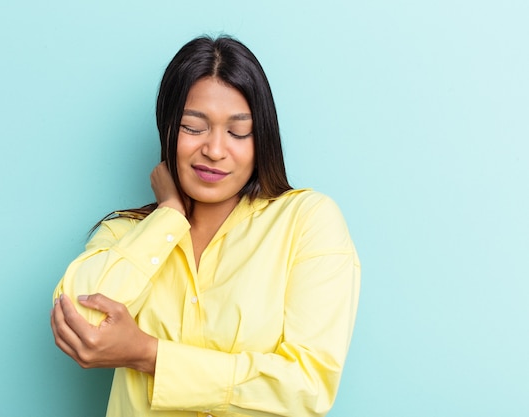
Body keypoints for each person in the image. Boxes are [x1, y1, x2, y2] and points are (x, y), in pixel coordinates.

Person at [51, 35, 361, 417]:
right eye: (194, 127)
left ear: (261, 137)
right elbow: (79, 325)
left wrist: (151, 354)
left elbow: (305, 389)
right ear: (167, 130)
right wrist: (168, 215)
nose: (214, 150)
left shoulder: (307, 221)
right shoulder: (128, 233)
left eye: (238, 132)